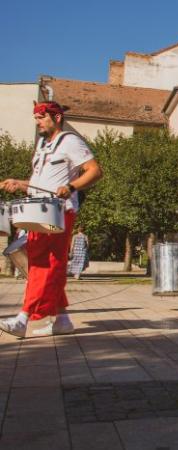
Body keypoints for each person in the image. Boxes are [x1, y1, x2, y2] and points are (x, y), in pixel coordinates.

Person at [0, 101, 103, 337]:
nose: (37, 122)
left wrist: (71, 186)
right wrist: (20, 183)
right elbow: (41, 182)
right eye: (36, 117)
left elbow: (95, 171)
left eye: (41, 117)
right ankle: (62, 319)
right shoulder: (42, 146)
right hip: (37, 210)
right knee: (46, 264)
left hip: (58, 212)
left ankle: (23, 317)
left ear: (56, 118)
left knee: (43, 265)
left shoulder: (70, 141)